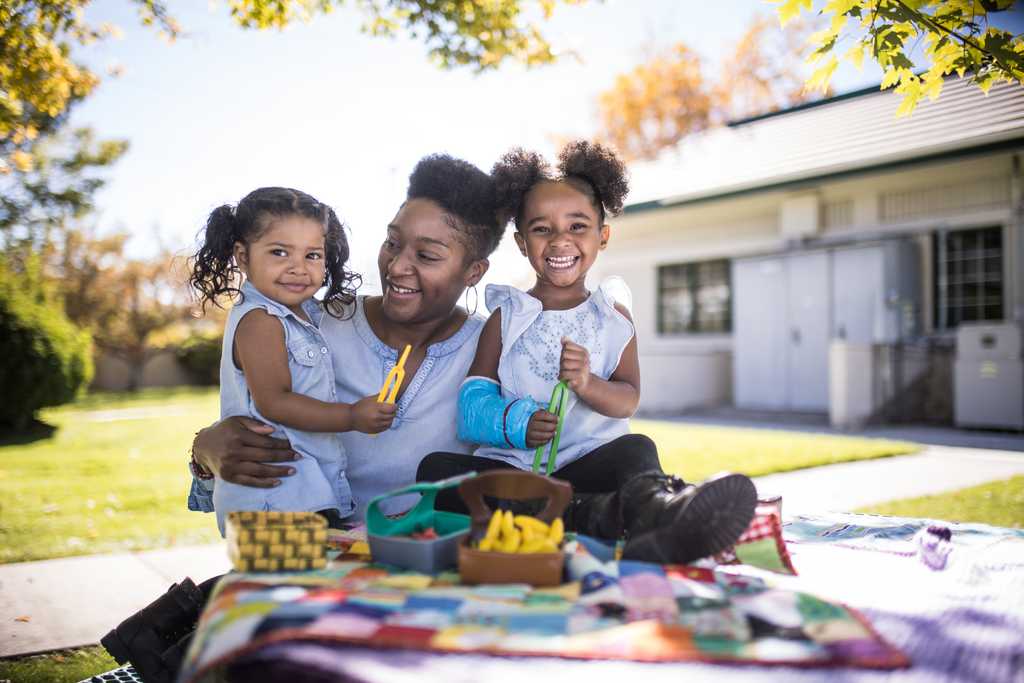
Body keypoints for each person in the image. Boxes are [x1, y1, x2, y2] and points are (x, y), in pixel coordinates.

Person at [105, 156, 505, 683]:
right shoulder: (312, 320)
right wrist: (206, 450)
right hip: (310, 555)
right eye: (392, 242)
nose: (398, 266)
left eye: (427, 255)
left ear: (473, 271)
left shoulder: (492, 348)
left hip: (417, 581)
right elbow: (256, 410)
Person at [417, 141, 758, 564]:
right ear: (523, 243)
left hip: (587, 465)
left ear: (603, 235)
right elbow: (471, 408)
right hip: (517, 475)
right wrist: (515, 422)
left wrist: (587, 383)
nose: (560, 241)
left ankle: (659, 509)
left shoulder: (612, 317)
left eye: (577, 226)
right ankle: (607, 519)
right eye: (542, 229)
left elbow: (628, 398)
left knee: (636, 449)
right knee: (437, 471)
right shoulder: (505, 317)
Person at [187, 187, 395, 534]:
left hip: (298, 494)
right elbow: (275, 401)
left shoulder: (300, 315)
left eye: (312, 255)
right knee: (286, 585)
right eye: (279, 252)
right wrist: (352, 415)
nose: (298, 268)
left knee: (312, 582)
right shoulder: (261, 320)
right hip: (274, 503)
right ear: (242, 256)